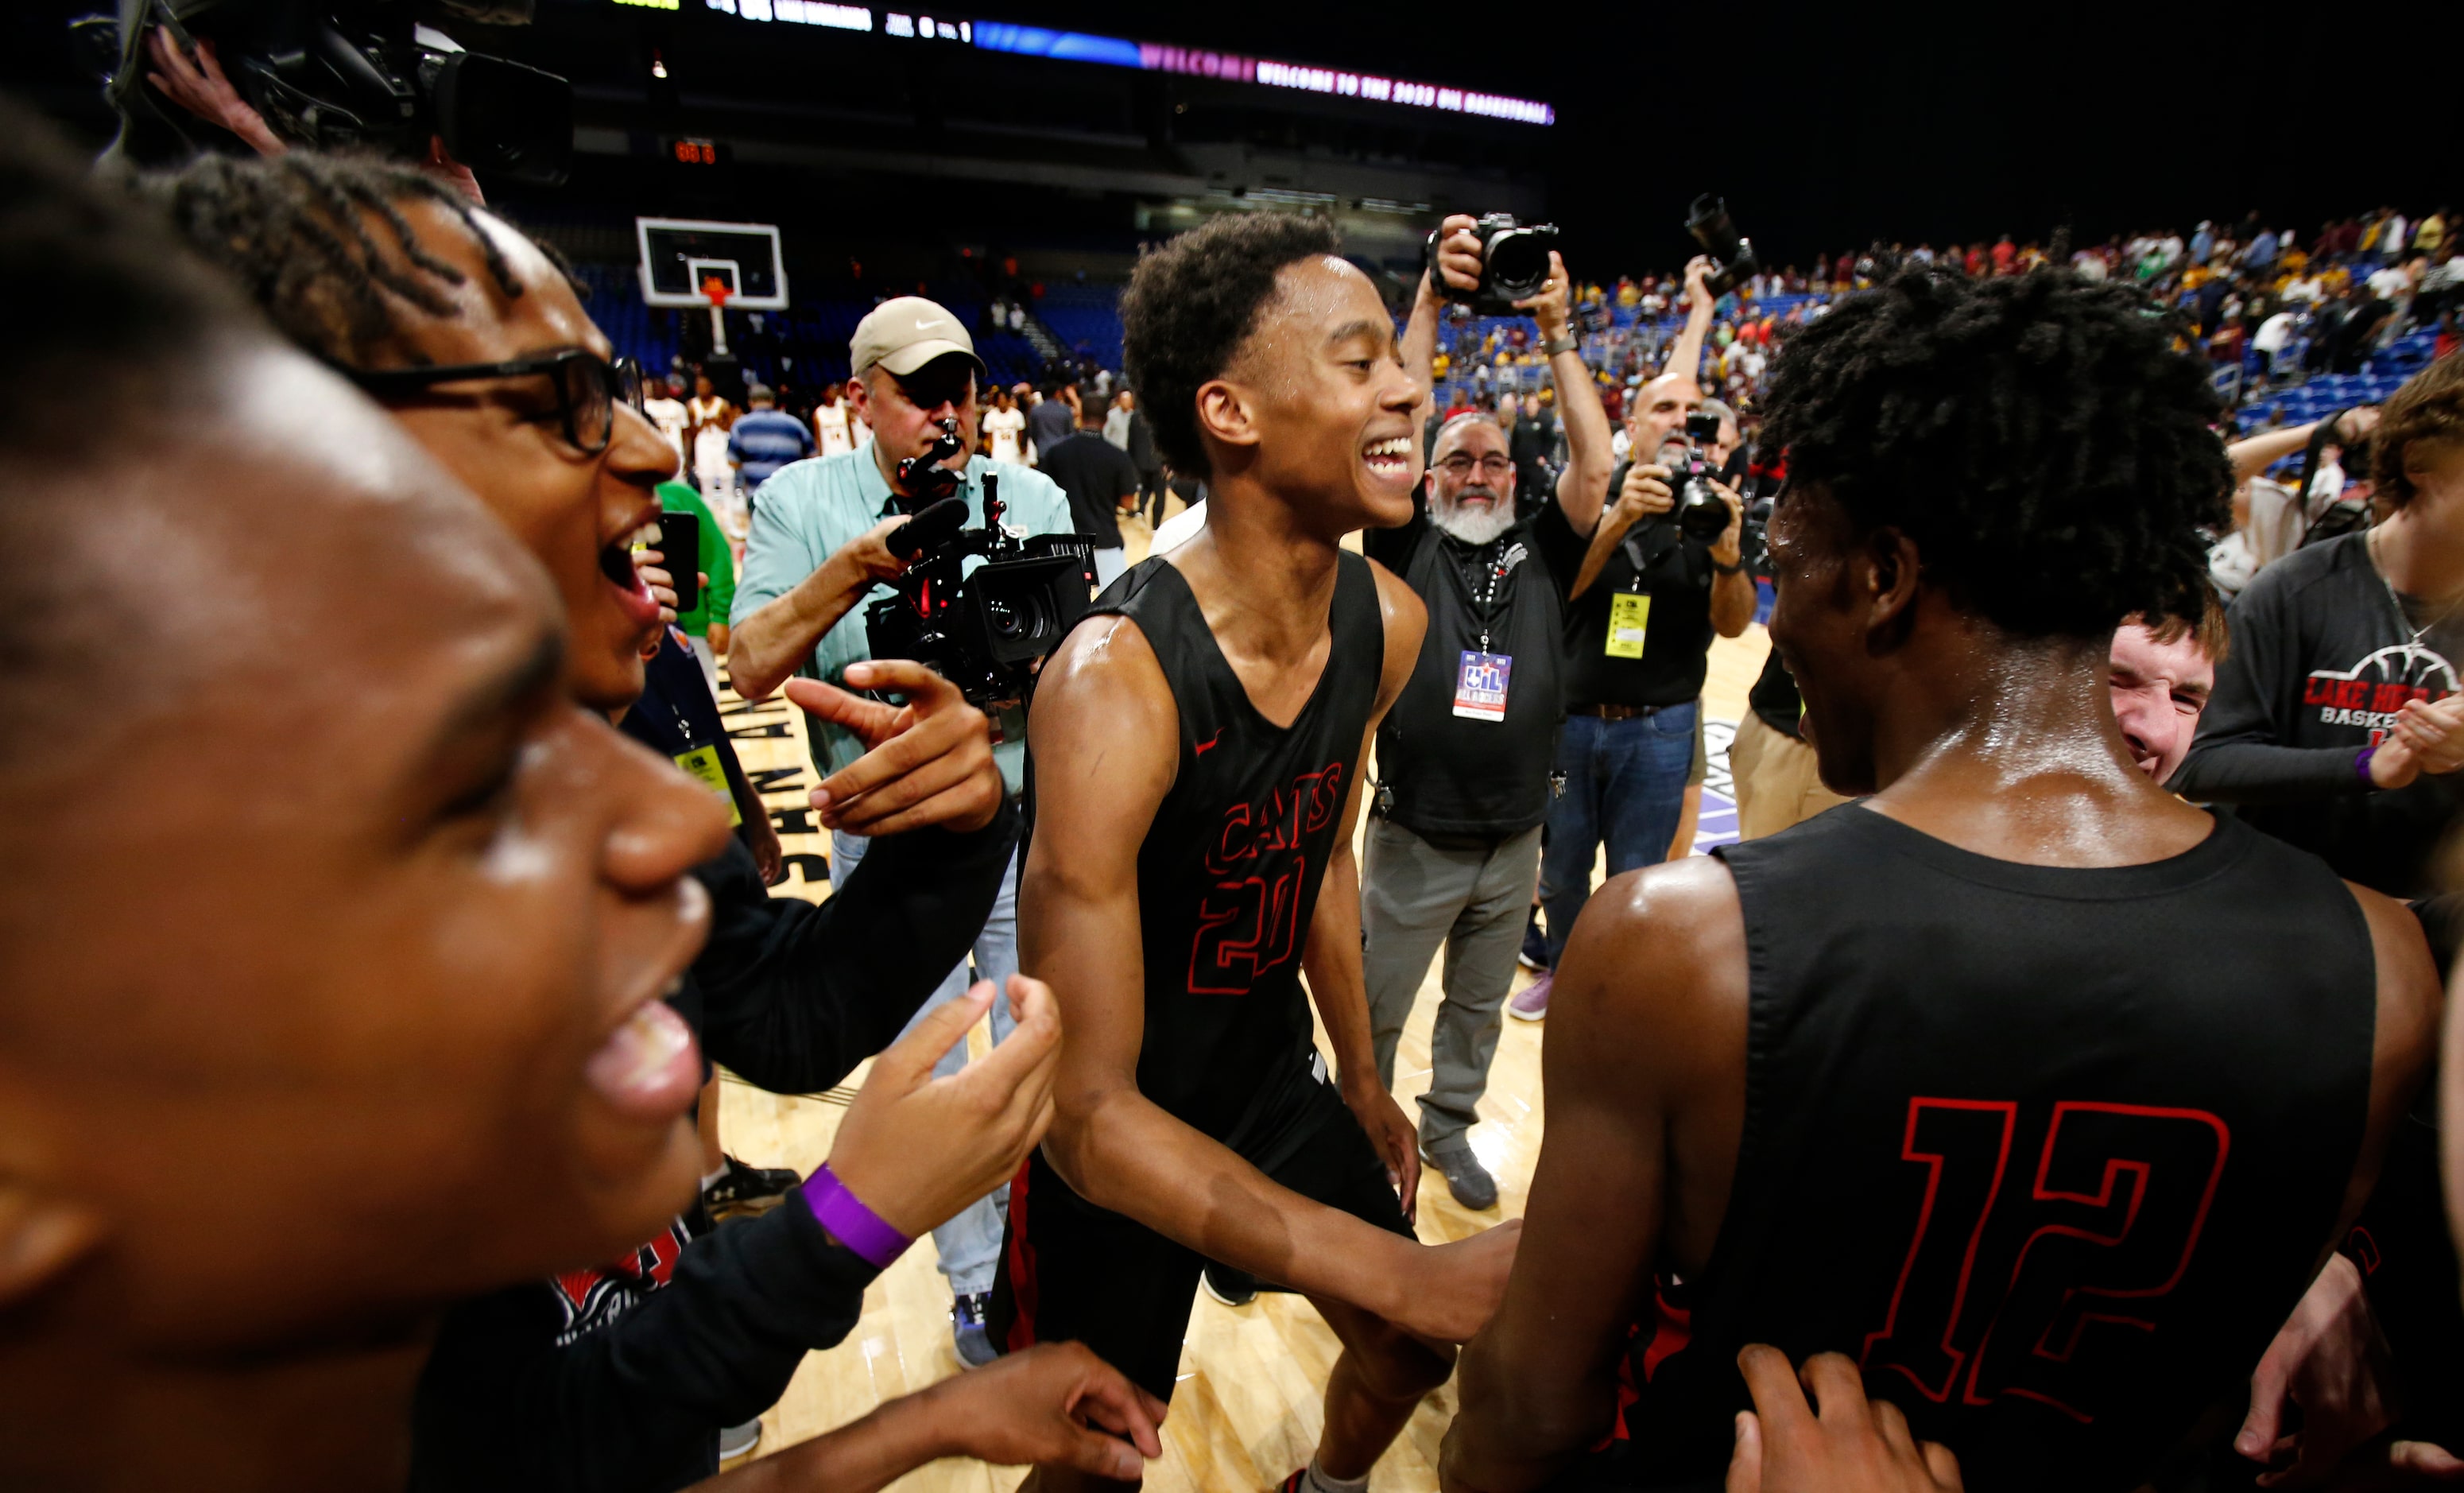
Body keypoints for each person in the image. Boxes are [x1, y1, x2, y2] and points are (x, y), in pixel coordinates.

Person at [12, 118, 1156, 1493]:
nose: (639, 446)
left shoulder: (624, 676)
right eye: (563, 396)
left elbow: (778, 1010)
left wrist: (960, 827)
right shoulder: (185, 1030)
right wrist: (844, 1220)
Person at [1439, 267, 2438, 1493]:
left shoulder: (1677, 944)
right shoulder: (2384, 969)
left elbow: (1528, 1417)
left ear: (1885, 573)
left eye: (1795, 551)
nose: (1782, 610)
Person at [997, 209, 1521, 1493]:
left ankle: (1326, 1485)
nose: (1407, 383)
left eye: (1400, 358)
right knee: (1092, 1460)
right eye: (1359, 361)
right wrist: (1397, 1257)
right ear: (1231, 412)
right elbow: (1087, 1114)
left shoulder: (1384, 621)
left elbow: (1318, 853)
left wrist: (1359, 1065)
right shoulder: (1115, 682)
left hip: (1266, 1075)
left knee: (1406, 1356)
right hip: (1120, 1133)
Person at [728, 295, 1073, 1367]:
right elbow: (747, 663)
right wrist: (857, 567)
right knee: (935, 1073)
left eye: (958, 387)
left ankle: (1039, 1253)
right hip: (888, 844)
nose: (944, 410)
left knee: (1035, 1050)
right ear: (859, 397)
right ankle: (973, 1283)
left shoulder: (1026, 493)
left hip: (1022, 823)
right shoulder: (803, 499)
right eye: (918, 390)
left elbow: (1081, 646)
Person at [1357, 217, 1608, 1212]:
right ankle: (1355, 1129)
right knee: (1376, 1009)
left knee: (1474, 1013)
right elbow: (1384, 430)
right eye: (1456, 460)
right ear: (1427, 477)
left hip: (1517, 838)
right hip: (1417, 835)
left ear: (1515, 476)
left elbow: (1595, 463)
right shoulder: (1404, 545)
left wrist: (1557, 332)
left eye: (1492, 462)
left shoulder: (1543, 550)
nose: (1475, 474)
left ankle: (1450, 1129)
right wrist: (1426, 301)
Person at [1509, 312, 1756, 1021]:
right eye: (1663, 408)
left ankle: (1617, 993)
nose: (1680, 419)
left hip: (1661, 729)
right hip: (1572, 725)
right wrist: (1617, 518)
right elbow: (1556, 595)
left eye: (1692, 410)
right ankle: (1564, 971)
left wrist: (1730, 555)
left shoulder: (1714, 509)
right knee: (1559, 867)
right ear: (1635, 424)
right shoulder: (1590, 493)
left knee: (1639, 873)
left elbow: (1734, 622)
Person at [2175, 355, 2464, 901]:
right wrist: (2366, 766)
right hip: (2287, 909)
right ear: (2421, 462)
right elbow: (2201, 762)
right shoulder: (2294, 589)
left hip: (2443, 929)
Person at [1037, 383, 1141, 588]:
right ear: (1106, 418)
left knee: (1069, 609)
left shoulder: (1057, 452)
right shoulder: (1118, 457)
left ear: (1080, 415)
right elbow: (1128, 503)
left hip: (1067, 543)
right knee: (1112, 607)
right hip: (1106, 540)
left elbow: (1044, 494)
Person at [726, 382, 814, 517]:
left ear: (750, 402)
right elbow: (812, 456)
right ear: (772, 401)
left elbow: (733, 462)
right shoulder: (794, 424)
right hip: (790, 494)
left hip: (757, 493)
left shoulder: (741, 426)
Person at [645, 371, 691, 465]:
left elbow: (686, 436)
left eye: (660, 387)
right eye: (655, 387)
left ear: (666, 388)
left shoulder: (678, 407)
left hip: (676, 453)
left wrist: (687, 458)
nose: (657, 390)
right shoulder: (645, 406)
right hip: (653, 454)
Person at [1027, 377, 1074, 463]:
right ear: (1057, 393)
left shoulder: (1035, 410)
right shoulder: (1065, 410)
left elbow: (1033, 434)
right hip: (1061, 453)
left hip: (1042, 452)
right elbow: (1070, 433)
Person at [985, 383, 1028, 464]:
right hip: (997, 453)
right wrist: (992, 449)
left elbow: (1020, 434)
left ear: (1008, 399)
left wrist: (1017, 447)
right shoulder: (990, 416)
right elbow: (988, 436)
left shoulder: (1017, 415)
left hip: (1013, 452)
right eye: (1000, 399)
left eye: (1004, 399)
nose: (1002, 401)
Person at [814, 378, 856, 456]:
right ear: (824, 393)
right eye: (831, 389)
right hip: (829, 455)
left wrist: (855, 451)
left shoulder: (844, 410)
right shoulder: (819, 413)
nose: (834, 391)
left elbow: (851, 436)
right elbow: (818, 441)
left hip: (847, 453)